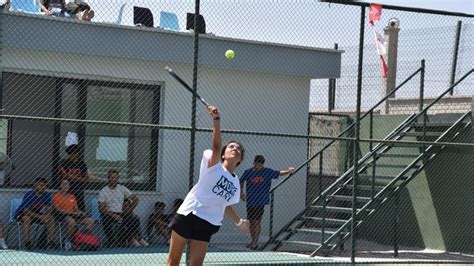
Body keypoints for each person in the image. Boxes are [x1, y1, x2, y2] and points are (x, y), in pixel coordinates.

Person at [166, 105, 250, 266]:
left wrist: (240, 222)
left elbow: (224, 205)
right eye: (231, 147)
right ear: (224, 154)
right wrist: (216, 119)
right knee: (173, 261)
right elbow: (216, 146)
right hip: (189, 214)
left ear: (240, 160)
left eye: (239, 149)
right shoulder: (212, 164)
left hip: (208, 222)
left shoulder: (235, 183)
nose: (236, 149)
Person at [240, 155, 294, 250]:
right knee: (251, 222)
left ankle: (255, 243)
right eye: (257, 165)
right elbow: (241, 181)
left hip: (260, 201)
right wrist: (241, 193)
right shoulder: (248, 172)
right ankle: (253, 241)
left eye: (260, 165)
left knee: (257, 222)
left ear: (263, 165)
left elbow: (279, 173)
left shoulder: (267, 172)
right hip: (250, 201)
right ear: (254, 163)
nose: (258, 167)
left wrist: (288, 171)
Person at [98, 169, 149, 248]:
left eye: (116, 178)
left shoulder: (122, 188)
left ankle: (122, 240)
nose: (114, 179)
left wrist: (129, 210)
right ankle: (111, 241)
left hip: (121, 213)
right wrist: (113, 215)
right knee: (106, 220)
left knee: (135, 219)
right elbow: (101, 208)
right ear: (108, 178)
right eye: (112, 177)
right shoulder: (103, 191)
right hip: (108, 213)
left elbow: (135, 199)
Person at [52, 178, 94, 250]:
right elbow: (59, 210)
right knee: (71, 221)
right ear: (60, 186)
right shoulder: (56, 196)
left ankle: (84, 240)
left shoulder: (72, 196)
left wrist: (80, 212)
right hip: (62, 216)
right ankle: (67, 241)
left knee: (90, 220)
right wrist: (74, 213)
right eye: (64, 184)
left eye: (67, 184)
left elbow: (76, 209)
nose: (66, 186)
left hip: (73, 215)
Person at [15, 177, 56, 250]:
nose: (42, 187)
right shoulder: (29, 194)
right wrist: (40, 217)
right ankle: (27, 243)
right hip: (22, 214)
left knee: (51, 218)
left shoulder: (47, 195)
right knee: (26, 218)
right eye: (39, 185)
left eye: (44, 185)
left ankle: (51, 242)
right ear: (35, 186)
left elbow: (50, 208)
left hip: (35, 214)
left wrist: (47, 215)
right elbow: (26, 211)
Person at [58, 144, 89, 212]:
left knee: (80, 211)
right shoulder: (64, 163)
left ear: (77, 153)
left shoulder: (82, 164)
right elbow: (64, 177)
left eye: (73, 153)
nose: (71, 155)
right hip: (67, 191)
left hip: (79, 190)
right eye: (70, 153)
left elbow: (86, 179)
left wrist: (72, 177)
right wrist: (78, 178)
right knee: (68, 209)